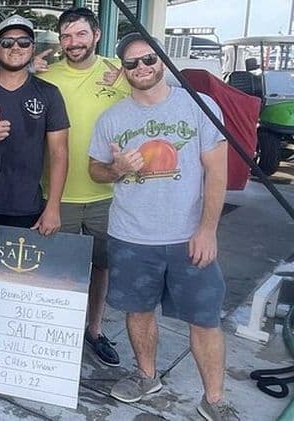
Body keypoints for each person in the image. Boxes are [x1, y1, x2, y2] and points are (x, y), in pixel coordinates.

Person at [89, 33, 237, 421]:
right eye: (133, 63)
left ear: (163, 62)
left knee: (204, 318)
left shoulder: (200, 107)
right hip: (131, 235)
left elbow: (216, 173)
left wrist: (208, 229)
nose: (142, 68)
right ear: (123, 71)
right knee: (137, 311)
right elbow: (95, 169)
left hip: (188, 236)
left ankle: (215, 400)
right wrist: (116, 169)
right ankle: (145, 375)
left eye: (149, 59)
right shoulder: (112, 118)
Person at [37, 7, 130, 367]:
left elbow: (159, 88)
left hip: (108, 194)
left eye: (79, 35)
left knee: (100, 267)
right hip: (56, 195)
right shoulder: (48, 78)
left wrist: (130, 75)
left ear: (96, 34)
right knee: (58, 269)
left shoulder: (119, 73)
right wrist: (28, 70)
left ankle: (93, 330)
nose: (72, 43)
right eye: (66, 36)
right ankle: (58, 334)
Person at [0, 14, 69, 234]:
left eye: (24, 42)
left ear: (32, 48)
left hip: (26, 207)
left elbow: (59, 153)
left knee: (20, 269)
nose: (15, 47)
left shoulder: (49, 93)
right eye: (7, 42)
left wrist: (53, 207)